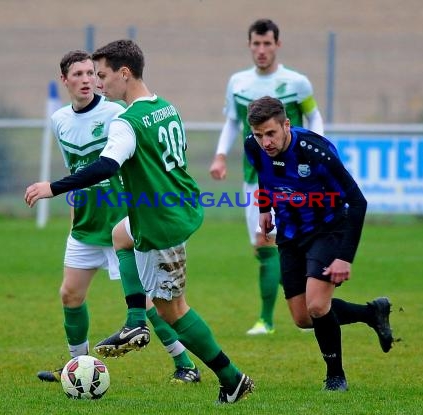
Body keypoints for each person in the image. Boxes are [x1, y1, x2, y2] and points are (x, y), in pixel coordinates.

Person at [25, 40, 254, 404]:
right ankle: (135, 320)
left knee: (174, 311)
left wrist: (53, 187)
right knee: (120, 234)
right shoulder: (164, 107)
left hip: (160, 223)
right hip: (176, 207)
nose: (99, 83)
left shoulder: (124, 122)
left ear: (124, 73)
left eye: (101, 75)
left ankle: (232, 378)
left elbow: (105, 166)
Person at [36, 50, 200, 384]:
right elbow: (77, 170)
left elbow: (122, 163)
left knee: (149, 303)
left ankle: (185, 363)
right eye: (79, 74)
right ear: (65, 80)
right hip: (85, 224)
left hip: (120, 222)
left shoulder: (117, 112)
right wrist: (72, 215)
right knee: (70, 294)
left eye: (91, 73)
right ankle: (77, 368)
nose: (88, 80)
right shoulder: (60, 120)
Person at [244, 96, 394, 391]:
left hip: (328, 230)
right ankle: (370, 313)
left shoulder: (315, 152)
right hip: (289, 233)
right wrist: (264, 209)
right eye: (260, 135)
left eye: (271, 133)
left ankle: (336, 376)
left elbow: (358, 202)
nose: (265, 141)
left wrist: (345, 257)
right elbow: (265, 174)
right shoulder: (253, 146)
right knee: (302, 317)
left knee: (316, 304)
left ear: (286, 124)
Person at [209, 18, 324, 335]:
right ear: (249, 45)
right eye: (256, 44)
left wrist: (315, 151)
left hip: (294, 178)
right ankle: (307, 303)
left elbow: (314, 115)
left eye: (267, 44)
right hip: (255, 176)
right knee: (265, 245)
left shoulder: (297, 82)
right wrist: (220, 155)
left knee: (274, 243)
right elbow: (233, 122)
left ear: (278, 45)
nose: (261, 50)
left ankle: (267, 319)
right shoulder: (238, 83)